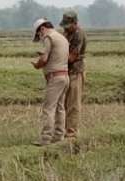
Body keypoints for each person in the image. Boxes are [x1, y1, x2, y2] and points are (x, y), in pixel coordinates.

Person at [31, 18, 70, 146]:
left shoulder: (49, 37)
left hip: (55, 78)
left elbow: (44, 58)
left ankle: (46, 138)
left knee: (49, 108)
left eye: (39, 34)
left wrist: (37, 65)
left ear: (42, 29)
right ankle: (59, 136)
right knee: (60, 108)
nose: (40, 37)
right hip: (65, 76)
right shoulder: (62, 38)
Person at [60, 10, 87, 139]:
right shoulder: (66, 33)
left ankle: (72, 132)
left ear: (75, 23)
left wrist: (55, 59)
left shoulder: (78, 34)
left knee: (73, 104)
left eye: (68, 25)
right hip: (66, 71)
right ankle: (63, 129)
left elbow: (72, 57)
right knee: (64, 103)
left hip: (76, 71)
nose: (65, 28)